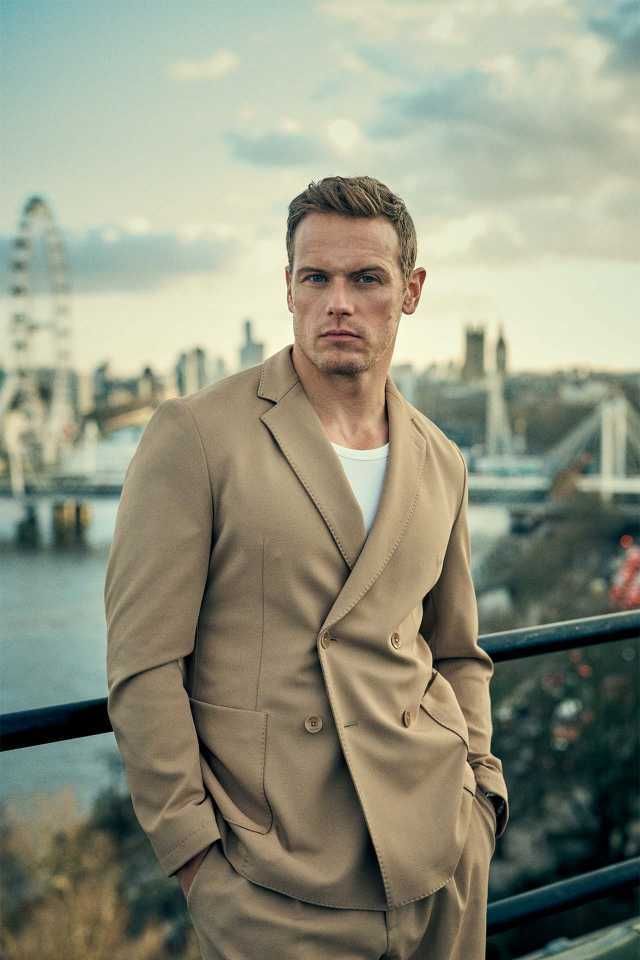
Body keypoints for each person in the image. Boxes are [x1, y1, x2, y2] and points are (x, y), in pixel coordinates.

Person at [105, 174, 509, 960]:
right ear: (287, 287)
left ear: (411, 292)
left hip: (440, 859)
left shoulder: (442, 460)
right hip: (275, 884)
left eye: (366, 279)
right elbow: (143, 665)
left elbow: (457, 650)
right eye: (315, 278)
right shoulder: (195, 435)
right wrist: (195, 860)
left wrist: (481, 797)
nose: (338, 303)